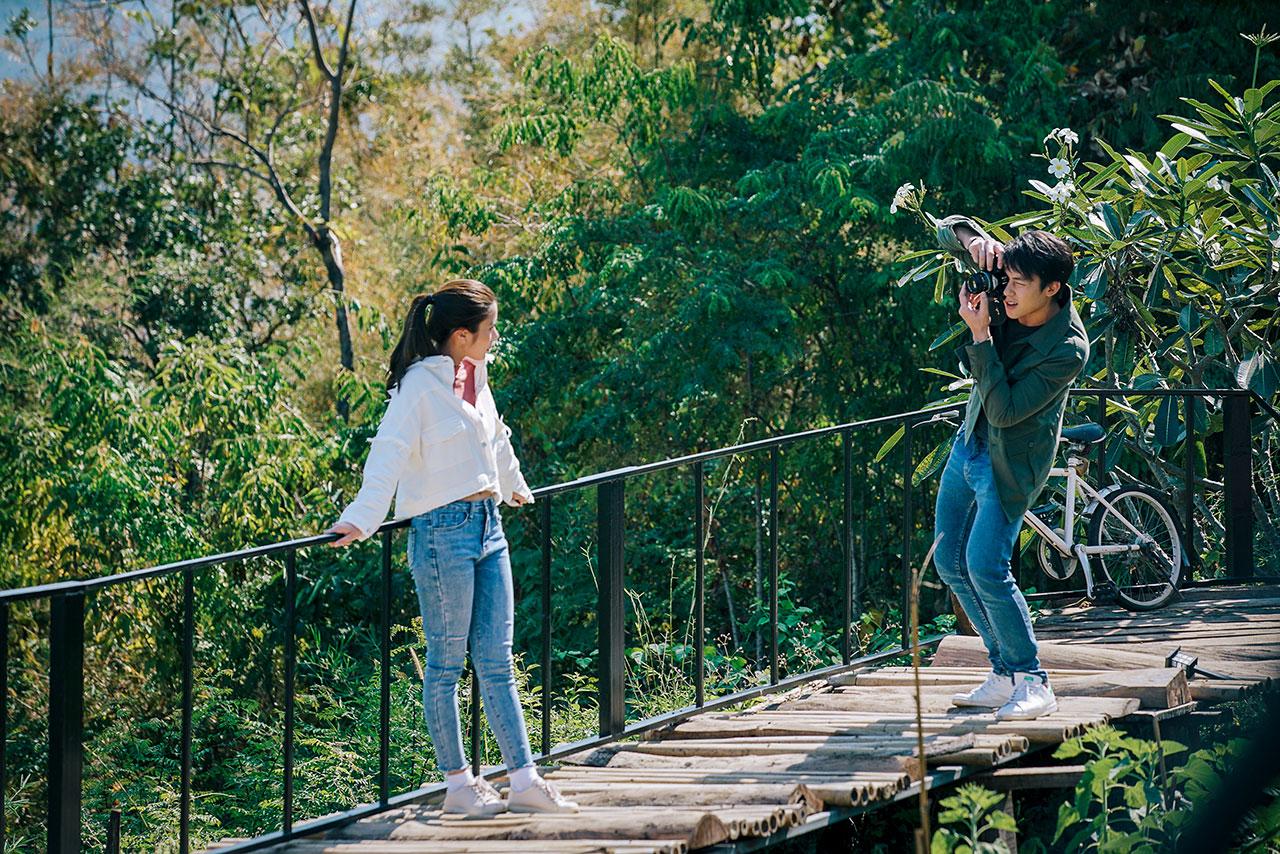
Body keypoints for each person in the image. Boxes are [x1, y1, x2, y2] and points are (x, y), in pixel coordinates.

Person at [325, 278, 578, 816]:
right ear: (462, 335)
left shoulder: (474, 377)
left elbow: (495, 437)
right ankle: (459, 786)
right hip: (441, 532)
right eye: (490, 330)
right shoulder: (418, 386)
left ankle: (524, 781)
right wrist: (363, 518)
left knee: (497, 660)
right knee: (445, 665)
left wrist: (513, 485)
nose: (495, 338)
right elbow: (389, 452)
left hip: (489, 526)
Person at [932, 216, 1089, 721]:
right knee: (948, 562)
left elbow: (1005, 411)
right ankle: (1003, 673)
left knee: (985, 567)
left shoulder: (1067, 350)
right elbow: (944, 229)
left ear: (1053, 288)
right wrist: (973, 239)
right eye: (1008, 279)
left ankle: (1033, 681)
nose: (1007, 292)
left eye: (1021, 284)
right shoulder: (1008, 275)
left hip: (1007, 464)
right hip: (968, 444)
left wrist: (980, 336)